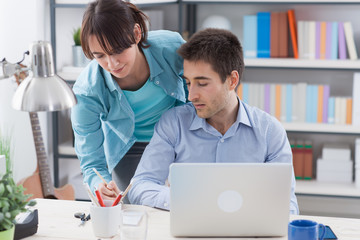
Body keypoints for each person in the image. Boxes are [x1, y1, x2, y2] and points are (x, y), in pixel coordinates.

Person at [128, 28, 299, 215]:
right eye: (188, 83)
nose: (191, 95)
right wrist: (187, 199)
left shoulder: (269, 131)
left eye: (202, 83)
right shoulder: (173, 124)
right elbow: (140, 186)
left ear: (232, 80)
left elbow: (287, 205)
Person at [71, 0, 187, 203]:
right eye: (100, 56)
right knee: (138, 207)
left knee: (191, 200)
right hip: (130, 149)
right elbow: (91, 163)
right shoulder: (87, 91)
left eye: (118, 51)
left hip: (180, 136)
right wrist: (100, 185)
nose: (112, 64)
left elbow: (198, 94)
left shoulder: (172, 48)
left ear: (136, 34)